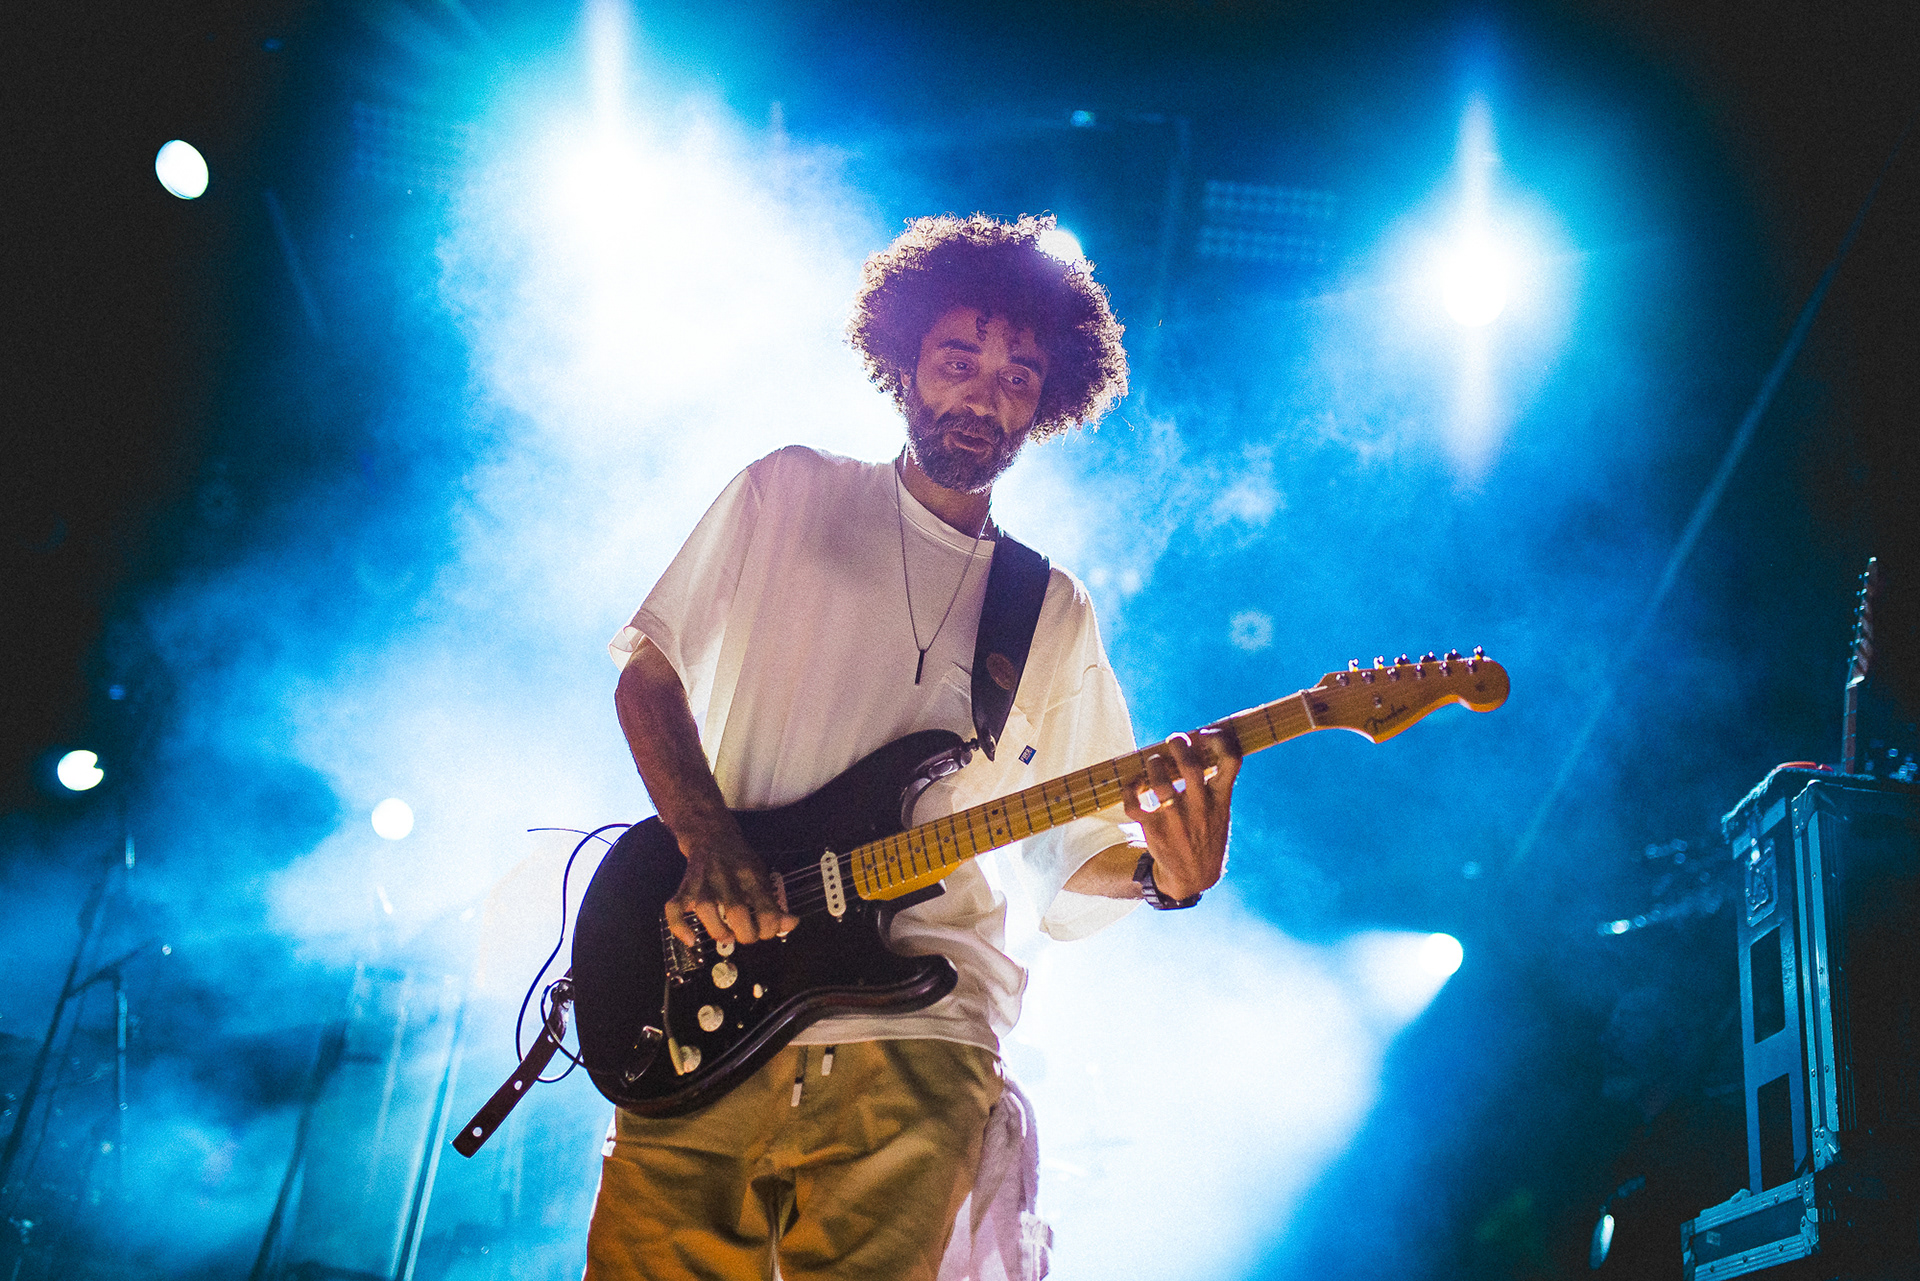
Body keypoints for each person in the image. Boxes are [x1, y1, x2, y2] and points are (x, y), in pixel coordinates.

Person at [588, 213, 1240, 1281]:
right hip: (711, 994)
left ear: (1050, 401)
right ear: (901, 362)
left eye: (1019, 376)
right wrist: (709, 843)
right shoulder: (788, 491)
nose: (985, 395)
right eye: (958, 360)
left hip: (923, 1037)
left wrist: (1168, 877)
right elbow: (647, 678)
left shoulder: (1050, 607)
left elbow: (1071, 850)